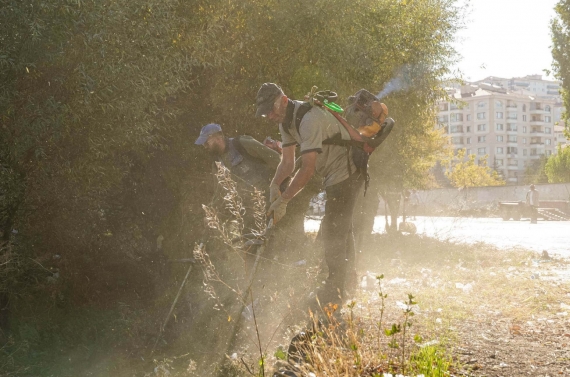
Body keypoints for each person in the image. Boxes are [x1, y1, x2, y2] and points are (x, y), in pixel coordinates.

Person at [255, 82, 363, 304]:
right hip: (333, 174)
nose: (269, 116)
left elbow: (307, 168)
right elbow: (287, 162)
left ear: (284, 101)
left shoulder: (309, 119)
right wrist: (274, 185)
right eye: (266, 113)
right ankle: (347, 283)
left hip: (347, 170)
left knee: (333, 230)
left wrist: (284, 200)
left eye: (271, 110)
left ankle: (334, 292)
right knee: (340, 226)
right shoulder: (286, 124)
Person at [195, 123, 282, 221]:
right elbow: (219, 191)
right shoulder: (217, 164)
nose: (205, 146)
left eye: (206, 142)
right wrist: (211, 212)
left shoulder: (242, 143)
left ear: (218, 138)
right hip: (253, 210)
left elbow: (276, 160)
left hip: (275, 197)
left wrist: (282, 186)